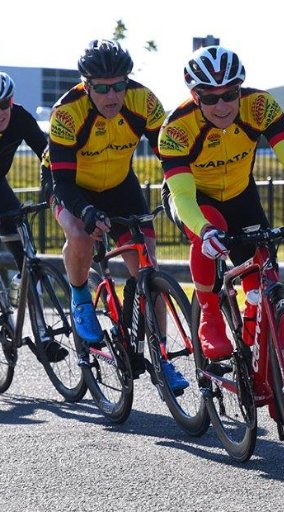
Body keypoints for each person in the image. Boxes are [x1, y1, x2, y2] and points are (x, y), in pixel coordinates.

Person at [160, 45, 284, 430]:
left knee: (267, 284)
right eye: (210, 97)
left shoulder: (260, 106)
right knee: (206, 233)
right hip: (195, 199)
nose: (223, 104)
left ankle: (277, 393)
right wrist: (205, 230)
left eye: (231, 94)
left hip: (242, 197)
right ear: (196, 96)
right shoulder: (177, 128)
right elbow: (183, 196)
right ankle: (209, 313)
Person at [47, 39, 188, 391]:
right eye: (102, 88)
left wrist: (177, 190)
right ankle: (80, 296)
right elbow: (61, 181)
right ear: (86, 85)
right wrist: (85, 211)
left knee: (148, 269)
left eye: (119, 86)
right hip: (69, 185)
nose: (112, 96)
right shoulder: (68, 113)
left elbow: (170, 155)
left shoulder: (143, 101)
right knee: (79, 234)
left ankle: (160, 357)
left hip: (120, 186)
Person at [0, 72, 67, 362]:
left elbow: (47, 156)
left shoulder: (20, 117)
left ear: (11, 102)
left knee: (26, 252)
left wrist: (59, 189)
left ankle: (42, 336)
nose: (0, 113)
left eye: (4, 105)